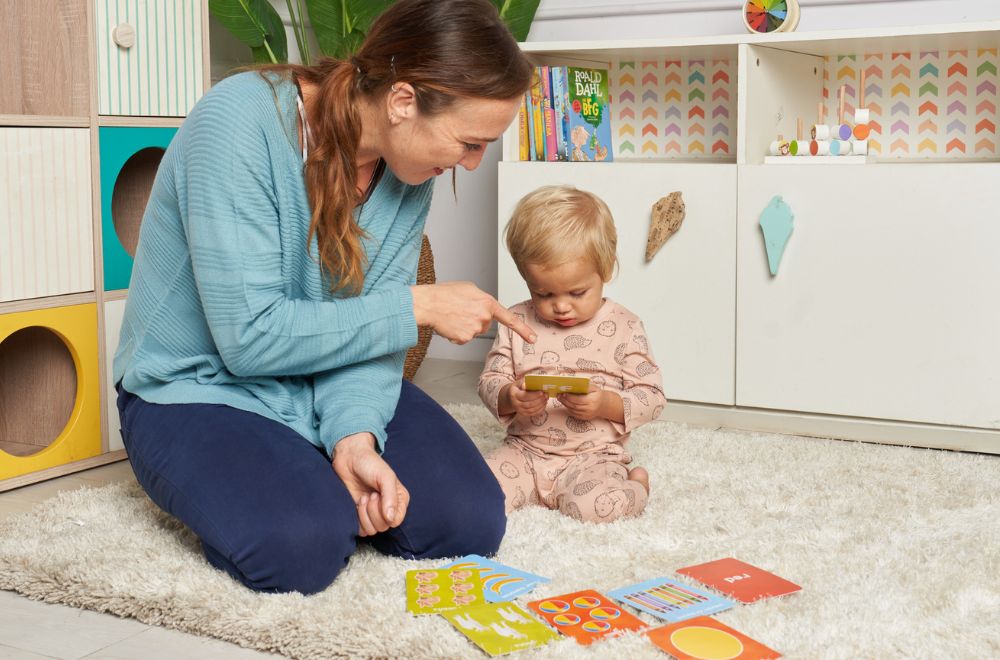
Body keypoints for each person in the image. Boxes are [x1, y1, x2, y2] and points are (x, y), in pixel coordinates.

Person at [113, 0, 536, 595]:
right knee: (302, 545)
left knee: (467, 521)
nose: (472, 162)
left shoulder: (406, 168)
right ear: (403, 101)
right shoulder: (238, 123)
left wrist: (354, 438)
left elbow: (371, 342)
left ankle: (307, 459)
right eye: (469, 142)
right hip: (196, 385)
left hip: (322, 374)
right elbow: (250, 339)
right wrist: (415, 306)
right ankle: (285, 478)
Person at [478, 185, 667, 523]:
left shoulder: (625, 326)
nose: (561, 305)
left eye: (578, 292)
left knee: (595, 508)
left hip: (592, 457)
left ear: (606, 270)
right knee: (476, 494)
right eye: (543, 292)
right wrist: (511, 396)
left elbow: (652, 397)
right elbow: (491, 379)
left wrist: (604, 404)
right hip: (525, 452)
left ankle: (637, 485)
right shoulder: (517, 321)